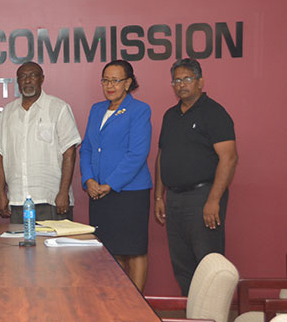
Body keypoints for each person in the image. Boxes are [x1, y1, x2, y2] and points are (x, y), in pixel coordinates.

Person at [154, 58, 238, 295]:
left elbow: (229, 158)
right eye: (177, 80)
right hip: (175, 199)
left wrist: (213, 200)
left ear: (200, 81)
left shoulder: (214, 113)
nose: (182, 84)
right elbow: (162, 156)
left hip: (204, 197)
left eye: (187, 79)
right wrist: (159, 197)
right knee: (182, 265)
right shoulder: (170, 115)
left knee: (208, 263)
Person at [79, 60, 152, 291]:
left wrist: (110, 184)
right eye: (106, 80)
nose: (109, 86)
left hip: (129, 192)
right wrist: (89, 179)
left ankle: (137, 304)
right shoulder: (97, 109)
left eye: (116, 80)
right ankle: (116, 300)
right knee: (110, 249)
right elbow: (87, 148)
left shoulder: (139, 110)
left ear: (128, 83)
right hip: (98, 192)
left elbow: (137, 154)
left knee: (133, 249)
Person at [0, 61, 81, 222]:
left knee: (54, 247)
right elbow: (0, 156)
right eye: (23, 77)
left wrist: (63, 192)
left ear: (42, 79)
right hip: (18, 199)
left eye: (32, 75)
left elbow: (70, 152)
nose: (27, 80)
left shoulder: (58, 108)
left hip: (51, 198)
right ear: (18, 82)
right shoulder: (7, 112)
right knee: (19, 246)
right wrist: (0, 193)